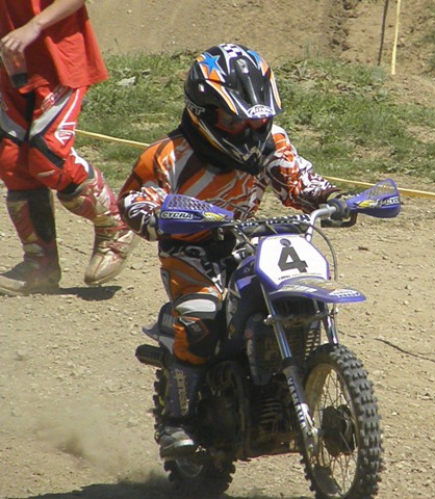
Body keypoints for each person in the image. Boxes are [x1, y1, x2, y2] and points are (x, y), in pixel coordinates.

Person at [117, 43, 350, 459]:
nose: (248, 130)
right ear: (203, 112)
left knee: (298, 293)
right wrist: (158, 217)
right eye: (235, 120)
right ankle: (176, 421)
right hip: (190, 252)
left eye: (257, 120)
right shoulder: (168, 156)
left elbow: (297, 180)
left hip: (245, 241)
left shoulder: (272, 142)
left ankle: (294, 377)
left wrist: (329, 197)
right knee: (202, 317)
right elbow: (135, 201)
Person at [0, 0, 137, 296]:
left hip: (57, 60)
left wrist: (34, 26)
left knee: (48, 157)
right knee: (11, 161)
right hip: (9, 63)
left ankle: (114, 224)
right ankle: (40, 264)